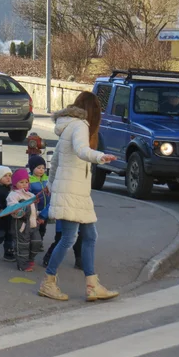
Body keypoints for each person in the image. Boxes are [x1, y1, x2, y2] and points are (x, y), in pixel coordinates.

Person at [38, 91, 119, 302]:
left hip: (75, 192)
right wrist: (101, 156)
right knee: (69, 238)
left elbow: (55, 160)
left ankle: (92, 285)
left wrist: (50, 183)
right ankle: (48, 282)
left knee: (88, 236)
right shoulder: (80, 126)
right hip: (73, 192)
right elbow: (83, 150)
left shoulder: (69, 126)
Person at [7, 168, 42, 272]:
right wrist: (18, 212)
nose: (24, 184)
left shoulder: (31, 195)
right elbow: (12, 207)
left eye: (26, 182)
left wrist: (39, 216)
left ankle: (30, 259)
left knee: (37, 242)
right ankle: (22, 264)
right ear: (15, 183)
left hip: (33, 225)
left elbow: (34, 209)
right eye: (21, 182)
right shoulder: (13, 195)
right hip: (21, 225)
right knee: (23, 245)